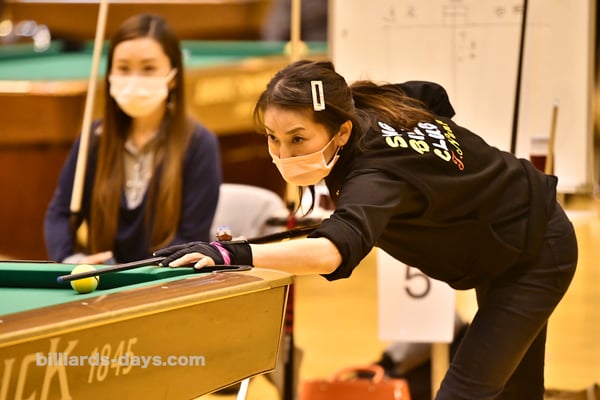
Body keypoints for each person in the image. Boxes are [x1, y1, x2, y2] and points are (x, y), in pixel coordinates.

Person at [154, 60, 578, 399]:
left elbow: (331, 252)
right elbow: (431, 94)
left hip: (536, 252)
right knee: (516, 393)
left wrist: (233, 255)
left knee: (464, 392)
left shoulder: (375, 173)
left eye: (298, 139)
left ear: (342, 131)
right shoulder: (365, 106)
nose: (282, 153)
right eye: (272, 137)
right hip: (503, 244)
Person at [44, 13, 221, 265]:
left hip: (168, 279)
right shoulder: (94, 138)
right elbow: (59, 213)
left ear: (173, 76)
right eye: (123, 68)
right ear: (110, 74)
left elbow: (191, 236)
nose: (134, 79)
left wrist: (134, 277)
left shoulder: (200, 143)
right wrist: (70, 259)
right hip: (101, 281)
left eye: (148, 68)